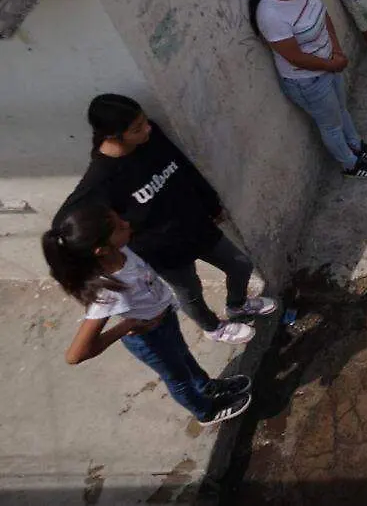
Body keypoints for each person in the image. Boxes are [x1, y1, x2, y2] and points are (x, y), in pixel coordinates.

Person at [55, 94, 275, 344]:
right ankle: (213, 327)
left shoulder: (152, 137)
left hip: (196, 224)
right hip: (163, 248)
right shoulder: (101, 178)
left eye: (145, 122)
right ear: (113, 135)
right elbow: (63, 224)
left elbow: (183, 165)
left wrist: (211, 202)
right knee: (190, 291)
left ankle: (237, 304)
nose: (147, 129)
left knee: (240, 264)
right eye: (137, 129)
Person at [43, 203, 253, 426]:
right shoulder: (108, 291)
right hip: (150, 339)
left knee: (183, 356)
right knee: (178, 378)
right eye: (119, 227)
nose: (127, 224)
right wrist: (126, 326)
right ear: (101, 249)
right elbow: (75, 355)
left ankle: (205, 387)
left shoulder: (122, 250)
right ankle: (206, 411)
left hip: (165, 319)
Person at [244, 0, 367, 179]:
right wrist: (330, 65)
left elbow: (323, 17)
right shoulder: (270, 14)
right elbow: (294, 57)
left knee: (341, 109)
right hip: (307, 80)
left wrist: (337, 51)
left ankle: (356, 145)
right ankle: (350, 165)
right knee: (330, 124)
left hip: (329, 64)